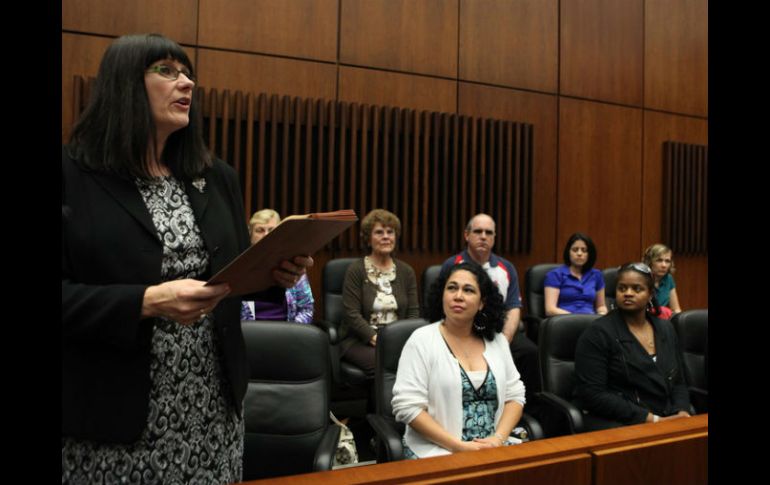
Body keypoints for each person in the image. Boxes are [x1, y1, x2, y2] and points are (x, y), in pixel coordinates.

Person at [62, 33, 313, 484]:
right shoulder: (72, 175)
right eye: (166, 71)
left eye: (187, 73)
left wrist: (275, 275)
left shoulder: (215, 176)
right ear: (124, 83)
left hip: (213, 406)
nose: (187, 83)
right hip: (113, 415)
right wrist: (146, 301)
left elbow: (229, 277)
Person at [392, 262, 526, 458]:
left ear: (482, 303)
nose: (458, 296)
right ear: (442, 295)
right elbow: (407, 407)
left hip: (493, 447)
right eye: (452, 288)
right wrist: (458, 447)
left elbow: (515, 396)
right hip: (437, 449)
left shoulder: (497, 341)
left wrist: (498, 438)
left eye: (468, 290)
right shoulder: (421, 340)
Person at [440, 214, 541, 417]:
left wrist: (503, 342)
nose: (483, 237)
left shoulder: (506, 268)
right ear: (466, 235)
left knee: (530, 352)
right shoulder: (452, 265)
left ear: (494, 238)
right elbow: (442, 303)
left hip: (497, 332)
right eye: (478, 231)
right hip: (462, 331)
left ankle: (526, 414)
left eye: (489, 233)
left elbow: (513, 308)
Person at [573, 262, 691, 430]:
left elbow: (678, 381)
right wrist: (652, 420)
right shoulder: (597, 333)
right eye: (622, 288)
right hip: (621, 421)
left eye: (637, 289)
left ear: (650, 294)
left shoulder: (666, 328)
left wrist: (681, 412)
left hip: (665, 416)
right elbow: (593, 395)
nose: (628, 293)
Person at [339, 209, 420, 378]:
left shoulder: (406, 272)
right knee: (385, 363)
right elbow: (351, 314)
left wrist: (404, 339)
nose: (386, 237)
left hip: (397, 340)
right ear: (368, 239)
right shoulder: (356, 270)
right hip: (360, 340)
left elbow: (413, 313)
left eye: (390, 232)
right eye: (379, 232)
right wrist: (376, 339)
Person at [240, 209, 314, 323]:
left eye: (272, 230)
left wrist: (291, 330)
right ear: (250, 235)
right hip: (249, 330)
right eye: (259, 230)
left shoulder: (293, 266)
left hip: (287, 330)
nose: (266, 235)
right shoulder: (240, 266)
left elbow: (306, 309)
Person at [544, 232, 608, 316]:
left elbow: (601, 306)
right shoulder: (555, 275)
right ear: (568, 252)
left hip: (590, 320)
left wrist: (602, 314)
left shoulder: (596, 275)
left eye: (584, 250)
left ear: (589, 254)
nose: (579, 253)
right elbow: (550, 310)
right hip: (564, 320)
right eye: (575, 250)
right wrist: (576, 318)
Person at [642, 243, 682, 319]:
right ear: (649, 262)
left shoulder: (668, 279)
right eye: (659, 260)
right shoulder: (641, 278)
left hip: (661, 321)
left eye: (667, 261)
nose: (664, 265)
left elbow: (676, 309)